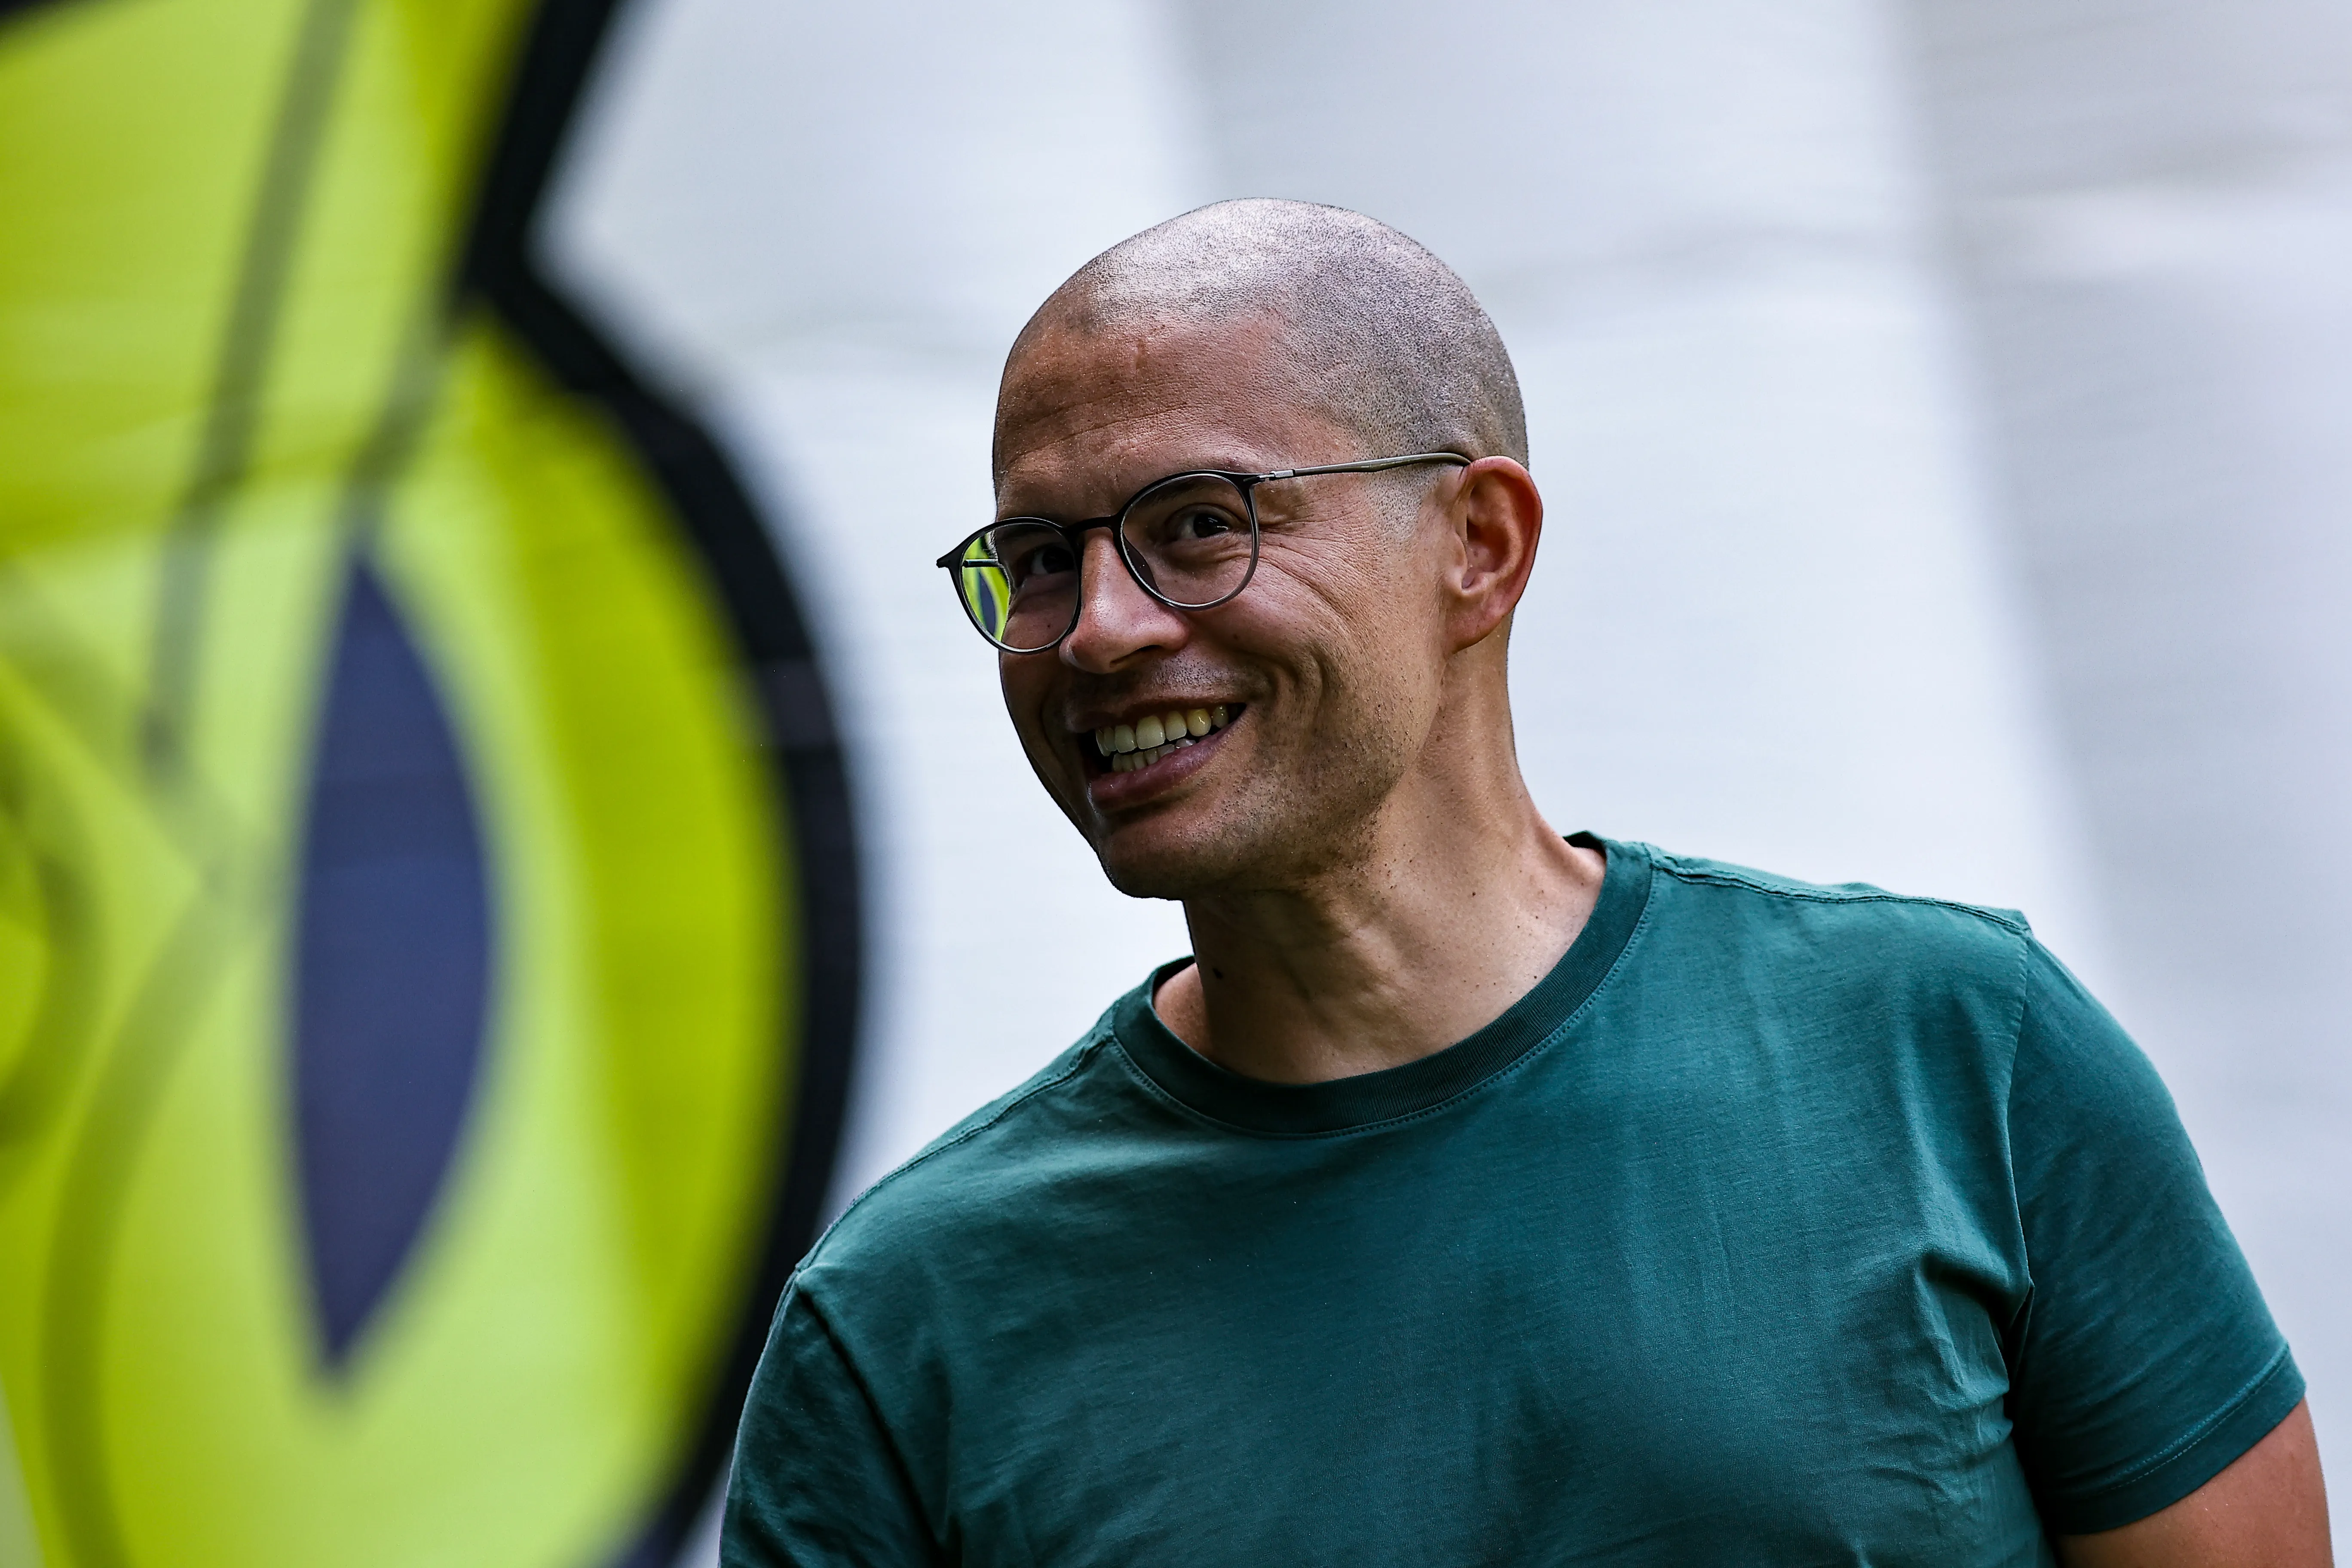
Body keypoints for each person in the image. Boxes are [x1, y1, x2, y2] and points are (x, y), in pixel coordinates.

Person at [721, 199, 2328, 1566]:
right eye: (1040, 559)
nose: (1097, 630)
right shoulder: (903, 1328)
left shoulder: (1955, 1056)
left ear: (1478, 545)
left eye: (1198, 525)